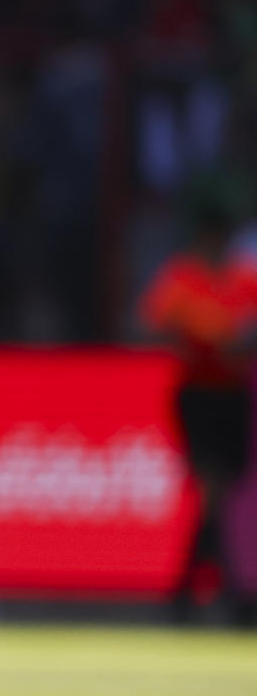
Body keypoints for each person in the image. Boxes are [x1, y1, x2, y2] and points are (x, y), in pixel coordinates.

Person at [139, 197, 257, 624]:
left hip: (232, 394)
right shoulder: (183, 277)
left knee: (220, 497)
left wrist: (232, 343)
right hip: (199, 395)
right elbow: (154, 324)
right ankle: (207, 593)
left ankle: (201, 590)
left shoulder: (244, 278)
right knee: (211, 492)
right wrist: (205, 339)